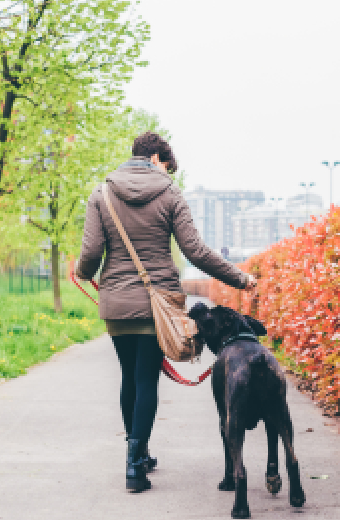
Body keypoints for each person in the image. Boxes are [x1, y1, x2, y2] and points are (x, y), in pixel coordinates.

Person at [75, 131, 257, 493]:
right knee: (146, 380)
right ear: (157, 158)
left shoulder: (102, 192)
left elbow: (92, 251)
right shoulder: (170, 193)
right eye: (167, 164)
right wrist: (241, 278)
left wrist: (81, 272)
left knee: (130, 377)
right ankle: (136, 462)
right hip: (158, 303)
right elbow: (196, 252)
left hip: (117, 303)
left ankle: (136, 454)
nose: (168, 171)